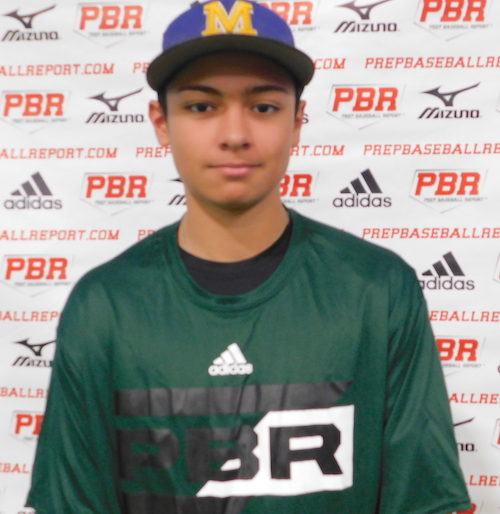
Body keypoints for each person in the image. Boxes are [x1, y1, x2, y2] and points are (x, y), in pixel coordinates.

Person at [28, 1, 471, 513]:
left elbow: (425, 502)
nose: (235, 135)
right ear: (161, 122)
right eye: (202, 107)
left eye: (264, 107)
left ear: (297, 121)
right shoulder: (105, 306)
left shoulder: (378, 289)